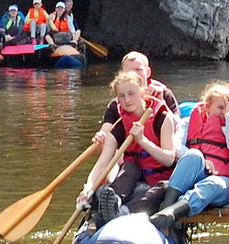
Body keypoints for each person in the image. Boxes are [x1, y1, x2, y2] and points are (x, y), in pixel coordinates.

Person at [76, 69, 177, 225]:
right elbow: (102, 164)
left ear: (142, 92)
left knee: (162, 189)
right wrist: (88, 188)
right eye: (121, 96)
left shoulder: (162, 118)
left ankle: (121, 213)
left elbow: (169, 159)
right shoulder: (119, 125)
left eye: (132, 93)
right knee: (129, 167)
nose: (127, 100)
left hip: (159, 179)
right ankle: (113, 202)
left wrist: (142, 140)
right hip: (133, 177)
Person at [150, 81, 229, 229]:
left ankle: (172, 212)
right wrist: (204, 159)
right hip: (198, 173)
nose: (223, 112)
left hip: (225, 184)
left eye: (228, 108)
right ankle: (166, 205)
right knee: (194, 155)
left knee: (212, 184)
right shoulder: (188, 122)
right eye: (220, 107)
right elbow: (176, 147)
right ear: (208, 106)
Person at [92, 51, 179, 146]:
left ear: (148, 72)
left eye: (138, 69)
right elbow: (105, 132)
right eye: (129, 70)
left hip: (161, 148)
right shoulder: (117, 103)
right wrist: (101, 137)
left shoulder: (164, 93)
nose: (134, 74)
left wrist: (161, 102)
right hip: (130, 154)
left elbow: (178, 128)